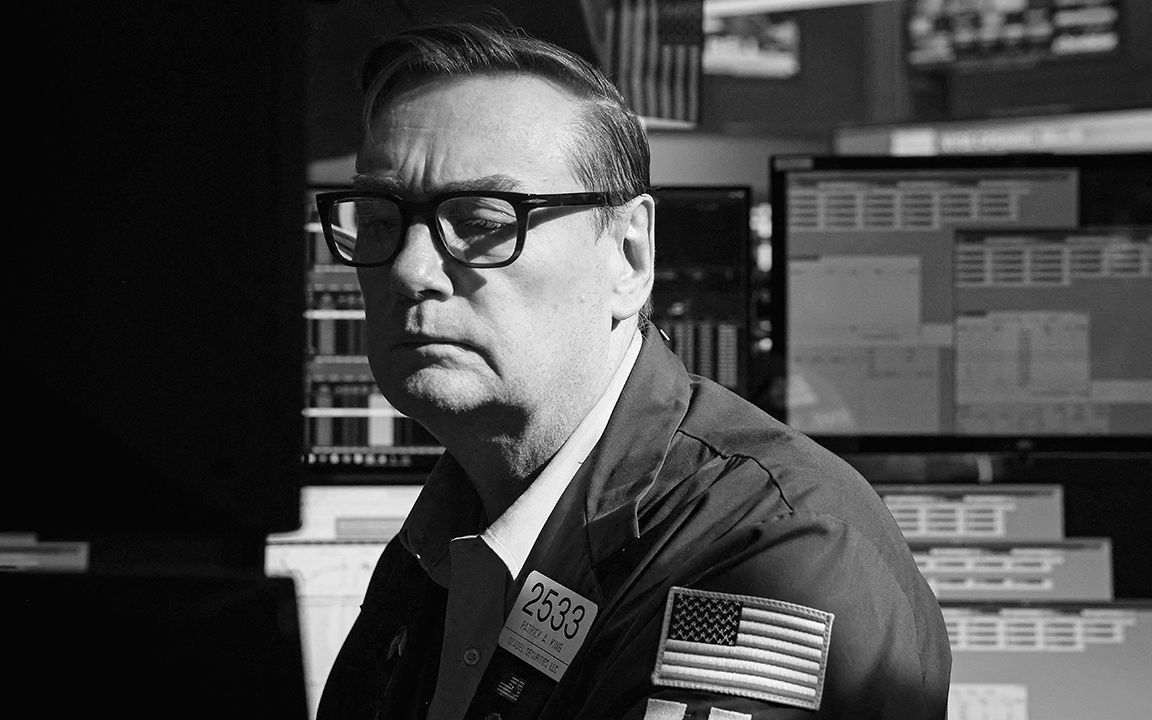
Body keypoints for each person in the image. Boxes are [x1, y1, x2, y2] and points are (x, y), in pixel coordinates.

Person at [314, 18, 950, 720]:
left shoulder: (774, 549)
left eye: (484, 220)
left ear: (630, 257)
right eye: (378, 219)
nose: (410, 269)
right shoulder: (443, 533)